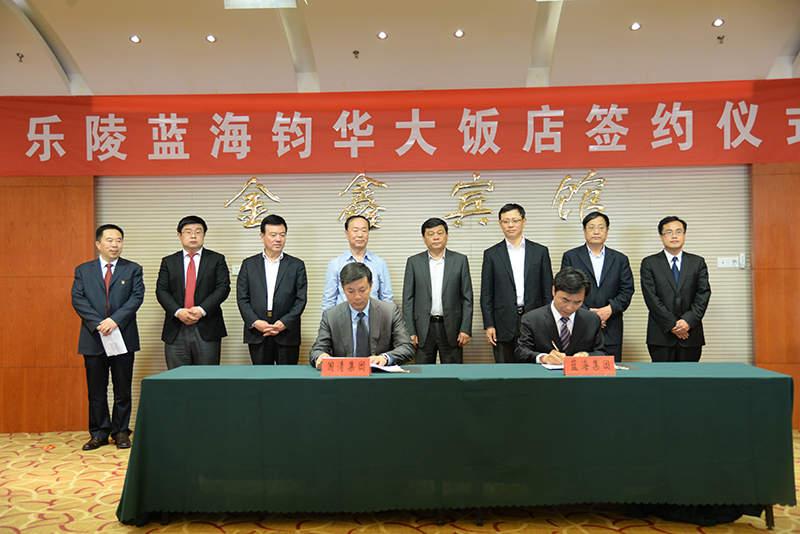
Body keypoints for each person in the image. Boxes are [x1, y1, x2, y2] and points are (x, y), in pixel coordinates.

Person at [71, 224, 144, 450]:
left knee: (122, 389)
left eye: (119, 240)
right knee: (96, 390)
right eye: (110, 240)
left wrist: (115, 320)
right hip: (94, 338)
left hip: (123, 337)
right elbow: (78, 299)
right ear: (98, 244)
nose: (115, 245)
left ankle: (121, 432)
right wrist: (99, 323)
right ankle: (99, 433)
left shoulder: (133, 269)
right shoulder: (83, 270)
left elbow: (136, 297)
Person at [480, 203, 553, 362]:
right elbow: (486, 294)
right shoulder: (491, 254)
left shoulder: (540, 252)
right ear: (500, 224)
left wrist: (549, 322)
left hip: (535, 319)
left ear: (523, 221)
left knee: (533, 366)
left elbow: (547, 291)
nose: (510, 225)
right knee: (504, 370)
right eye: (505, 221)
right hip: (502, 322)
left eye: (515, 220)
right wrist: (489, 325)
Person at [155, 215, 230, 369]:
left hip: (207, 326)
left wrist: (202, 310)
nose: (193, 236)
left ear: (204, 235)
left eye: (198, 232)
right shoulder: (168, 261)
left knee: (207, 377)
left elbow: (223, 288)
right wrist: (178, 311)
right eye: (188, 232)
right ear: (179, 235)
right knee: (177, 378)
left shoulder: (216, 259)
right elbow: (161, 290)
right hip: (176, 327)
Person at [561, 212, 634, 362]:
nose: (596, 232)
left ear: (607, 231)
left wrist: (609, 310)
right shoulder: (571, 257)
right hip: (579, 325)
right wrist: (588, 313)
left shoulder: (620, 259)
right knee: (579, 368)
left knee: (610, 370)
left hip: (611, 326)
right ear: (584, 231)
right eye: (591, 227)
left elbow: (627, 290)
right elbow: (566, 290)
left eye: (601, 227)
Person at [310, 262, 414, 368]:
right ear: (343, 289)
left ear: (371, 286)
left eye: (362, 290)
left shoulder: (389, 312)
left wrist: (385, 358)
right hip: (346, 374)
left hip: (379, 374)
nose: (357, 297)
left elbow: (406, 347)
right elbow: (318, 349)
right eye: (351, 291)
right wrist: (320, 356)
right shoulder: (331, 316)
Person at [237, 214, 308, 365]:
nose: (278, 239)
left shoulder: (297, 265)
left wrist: (284, 323)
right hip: (258, 332)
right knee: (261, 377)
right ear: (262, 237)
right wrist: (255, 322)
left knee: (287, 377)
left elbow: (300, 299)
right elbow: (242, 299)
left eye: (282, 235)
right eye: (273, 235)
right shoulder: (248, 264)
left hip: (287, 332)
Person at [640, 216, 711, 362]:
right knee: (662, 376)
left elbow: (703, 294)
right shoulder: (649, 263)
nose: (674, 236)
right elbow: (651, 298)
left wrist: (687, 321)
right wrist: (672, 324)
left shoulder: (697, 262)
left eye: (678, 232)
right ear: (661, 237)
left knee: (689, 375)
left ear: (684, 235)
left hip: (690, 334)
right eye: (669, 232)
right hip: (661, 335)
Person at [402, 218, 473, 364]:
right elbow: (408, 300)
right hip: (423, 329)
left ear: (447, 235)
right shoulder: (414, 262)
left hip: (452, 327)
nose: (436, 237)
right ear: (424, 238)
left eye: (440, 233)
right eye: (431, 234)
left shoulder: (460, 260)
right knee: (424, 373)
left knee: (453, 373)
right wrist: (410, 331)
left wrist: (465, 329)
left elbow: (467, 298)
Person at [515, 267, 606, 364]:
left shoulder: (592, 320)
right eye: (565, 300)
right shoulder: (532, 319)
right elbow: (521, 352)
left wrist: (586, 356)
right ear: (553, 291)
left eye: (577, 302)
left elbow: (602, 353)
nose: (569, 308)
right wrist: (543, 358)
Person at [321, 215, 393, 312]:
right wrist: (325, 321)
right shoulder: (335, 264)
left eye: (364, 230)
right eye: (355, 230)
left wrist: (387, 320)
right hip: (343, 319)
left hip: (373, 319)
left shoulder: (380, 263)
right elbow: (329, 300)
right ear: (346, 234)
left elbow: (387, 299)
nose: (360, 235)